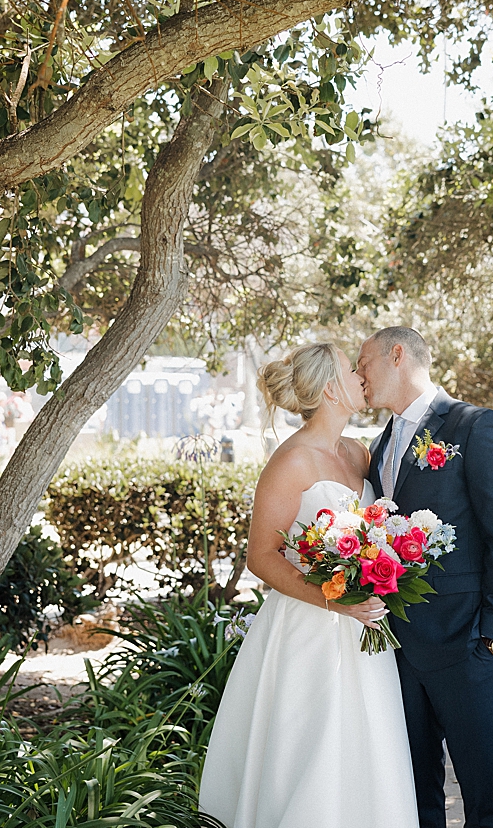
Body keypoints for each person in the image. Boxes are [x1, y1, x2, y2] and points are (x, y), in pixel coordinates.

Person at [198, 342, 418, 828]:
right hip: (311, 627)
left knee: (365, 744)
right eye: (350, 368)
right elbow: (260, 556)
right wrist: (332, 600)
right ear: (329, 389)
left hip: (364, 628)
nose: (362, 373)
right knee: (311, 746)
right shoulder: (291, 461)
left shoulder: (358, 453)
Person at [356, 326, 493, 828]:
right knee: (414, 793)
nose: (359, 376)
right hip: (395, 648)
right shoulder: (380, 443)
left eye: (364, 363)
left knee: (483, 794)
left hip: (465, 641)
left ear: (397, 355)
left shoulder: (475, 426)